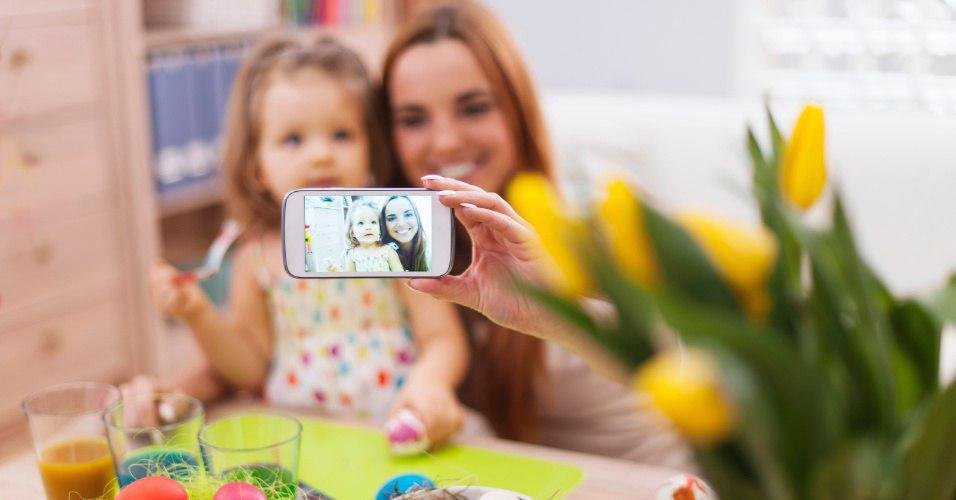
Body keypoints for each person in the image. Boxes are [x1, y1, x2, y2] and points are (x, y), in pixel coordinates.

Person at [381, 1, 693, 467]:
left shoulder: (594, 225)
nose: (444, 142)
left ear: (518, 111)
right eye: (413, 119)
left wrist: (555, 310)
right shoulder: (409, 253)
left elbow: (686, 365)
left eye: (473, 108)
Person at [144, 36, 468, 445]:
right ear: (257, 166)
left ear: (371, 147)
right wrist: (197, 313)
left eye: (342, 135)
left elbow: (441, 337)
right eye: (293, 139)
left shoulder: (396, 235)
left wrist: (430, 384)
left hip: (394, 432)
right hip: (300, 443)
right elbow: (250, 369)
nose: (321, 155)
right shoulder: (255, 258)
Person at [381, 195, 430, 272]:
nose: (401, 223)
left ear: (417, 217)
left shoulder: (431, 253)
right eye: (392, 218)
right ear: (384, 224)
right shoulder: (381, 257)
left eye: (408, 215)